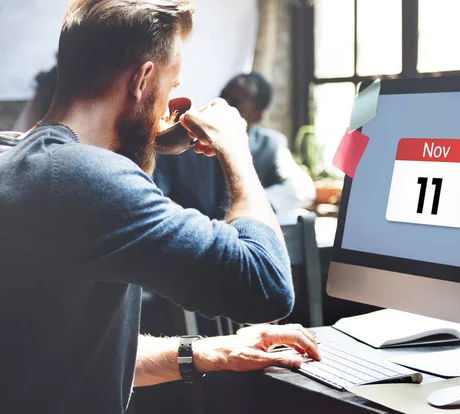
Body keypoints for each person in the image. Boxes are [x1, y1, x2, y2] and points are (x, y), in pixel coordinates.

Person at [0, 1, 319, 413]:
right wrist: (236, 151)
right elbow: (267, 286)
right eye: (171, 86)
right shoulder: (86, 178)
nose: (169, 104)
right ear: (143, 79)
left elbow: (66, 354)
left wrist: (214, 351)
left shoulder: (16, 157)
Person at [154, 72, 315, 223]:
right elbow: (157, 196)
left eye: (236, 102)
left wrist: (250, 205)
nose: (224, 105)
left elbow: (302, 188)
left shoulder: (269, 145)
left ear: (257, 116)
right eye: (223, 96)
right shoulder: (182, 141)